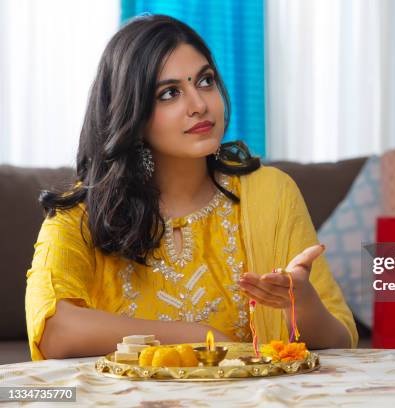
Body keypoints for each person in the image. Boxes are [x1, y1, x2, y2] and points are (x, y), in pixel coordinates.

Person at [25, 14, 357, 360]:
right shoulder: (80, 214)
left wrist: (300, 304)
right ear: (131, 114)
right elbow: (53, 330)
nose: (199, 105)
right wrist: (197, 336)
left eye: (205, 81)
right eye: (169, 93)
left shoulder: (271, 194)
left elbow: (340, 344)